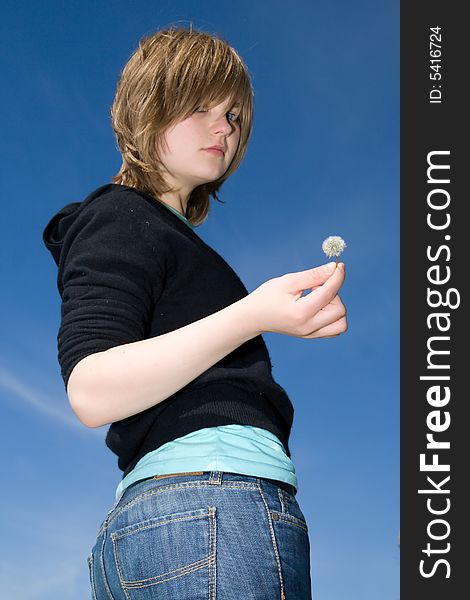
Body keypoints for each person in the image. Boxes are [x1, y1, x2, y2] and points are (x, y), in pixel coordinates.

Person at [43, 25, 347, 600]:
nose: (223, 128)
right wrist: (253, 314)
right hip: (212, 509)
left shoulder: (157, 232)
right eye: (200, 105)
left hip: (170, 522)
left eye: (233, 115)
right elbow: (91, 388)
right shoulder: (123, 217)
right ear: (146, 111)